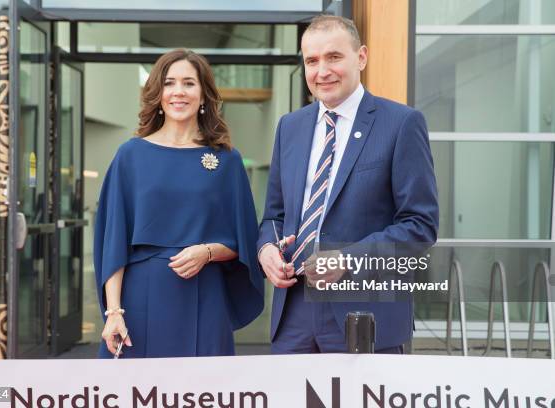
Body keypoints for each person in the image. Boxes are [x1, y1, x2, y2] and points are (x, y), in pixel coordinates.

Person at [257, 15, 439, 354]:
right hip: (294, 313)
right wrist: (266, 249)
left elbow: (420, 226)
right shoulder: (290, 128)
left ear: (362, 57)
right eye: (311, 60)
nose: (321, 70)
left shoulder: (401, 124)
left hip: (367, 311)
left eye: (334, 57)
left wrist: (348, 259)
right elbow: (274, 215)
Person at [94, 49, 264, 358]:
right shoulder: (130, 155)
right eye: (170, 83)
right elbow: (113, 241)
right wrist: (114, 312)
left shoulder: (227, 160)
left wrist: (208, 252)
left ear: (203, 95)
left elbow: (246, 242)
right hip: (140, 299)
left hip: (206, 297)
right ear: (158, 94)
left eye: (189, 83)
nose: (178, 92)